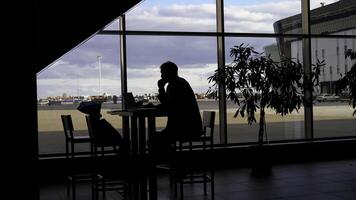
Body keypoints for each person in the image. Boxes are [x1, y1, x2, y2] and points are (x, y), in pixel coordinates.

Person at [152, 61, 203, 159]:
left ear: (168, 73)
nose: (161, 75)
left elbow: (168, 106)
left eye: (162, 72)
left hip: (185, 128)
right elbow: (170, 104)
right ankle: (175, 163)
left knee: (154, 139)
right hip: (191, 126)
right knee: (156, 139)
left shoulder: (175, 85)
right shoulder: (179, 83)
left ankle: (175, 162)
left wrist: (161, 88)